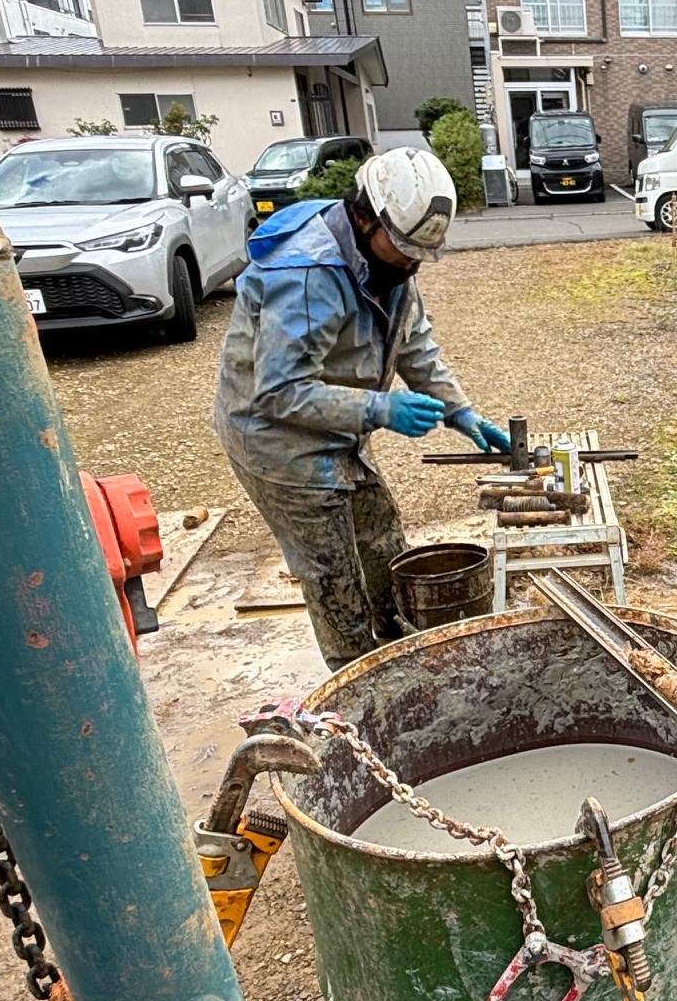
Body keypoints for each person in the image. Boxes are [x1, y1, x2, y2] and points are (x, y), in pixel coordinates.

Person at [214, 147, 511, 670]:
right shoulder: (307, 274)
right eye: (402, 249)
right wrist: (380, 409)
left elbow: (413, 342)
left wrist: (460, 412)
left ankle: (402, 658)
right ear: (363, 216)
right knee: (333, 579)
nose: (411, 263)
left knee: (384, 548)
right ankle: (358, 684)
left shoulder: (388, 254)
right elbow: (278, 391)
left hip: (340, 430)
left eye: (420, 253)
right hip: (279, 442)